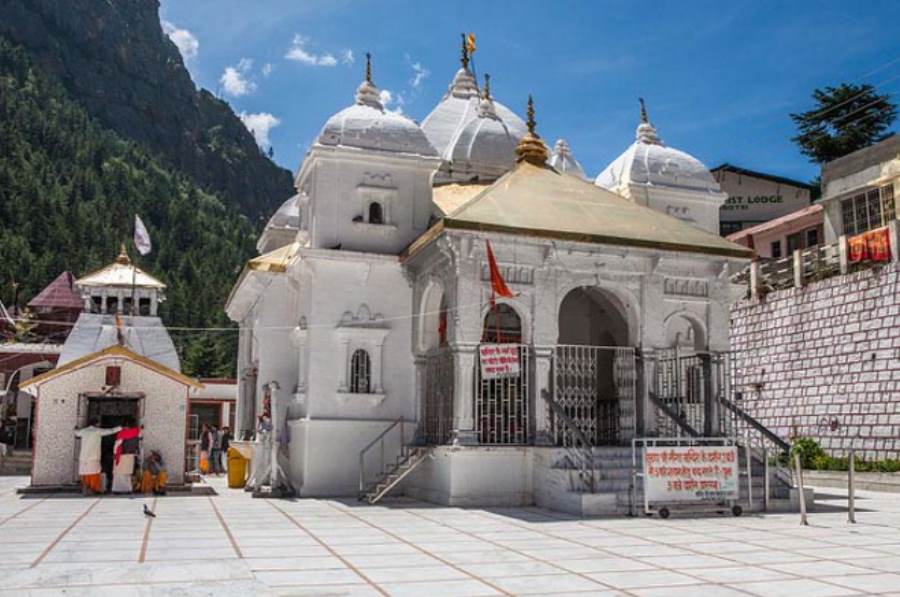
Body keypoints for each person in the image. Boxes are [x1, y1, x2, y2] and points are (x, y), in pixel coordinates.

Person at [75, 418, 121, 495]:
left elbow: (76, 433)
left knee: (85, 474)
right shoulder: (97, 431)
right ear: (97, 424)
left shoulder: (83, 431)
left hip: (83, 457)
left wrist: (75, 428)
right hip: (93, 457)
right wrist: (120, 428)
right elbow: (110, 431)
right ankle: (93, 489)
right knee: (94, 474)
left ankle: (85, 490)